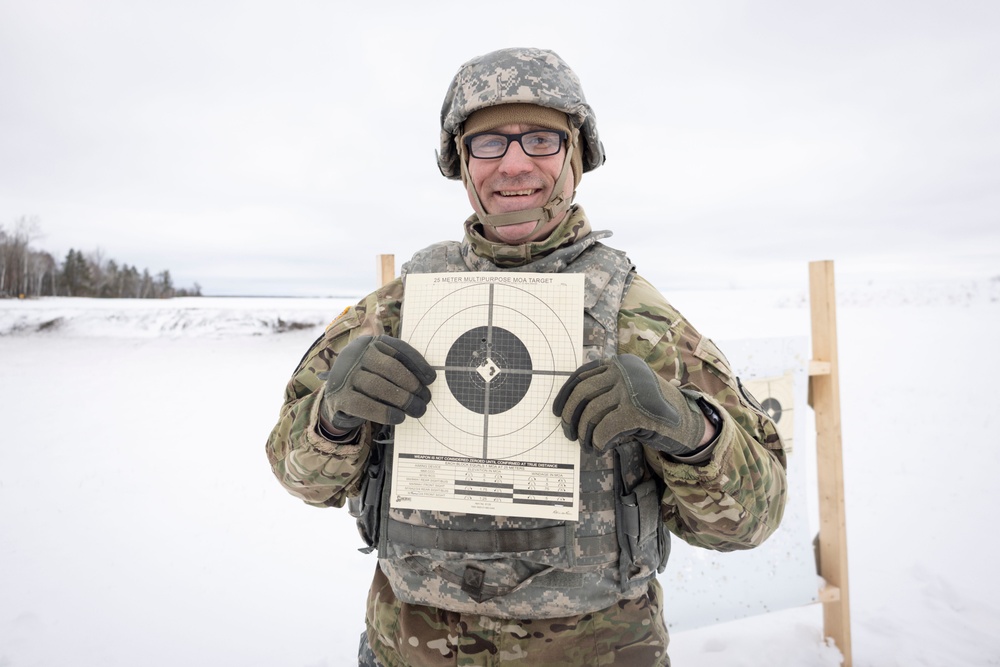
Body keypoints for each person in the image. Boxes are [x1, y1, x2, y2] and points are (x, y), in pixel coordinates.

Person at [266, 47, 788, 667]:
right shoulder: (396, 310)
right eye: (488, 144)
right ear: (462, 163)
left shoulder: (638, 318)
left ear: (576, 157)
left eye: (541, 139)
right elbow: (299, 477)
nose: (514, 165)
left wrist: (687, 429)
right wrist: (332, 418)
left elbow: (753, 519)